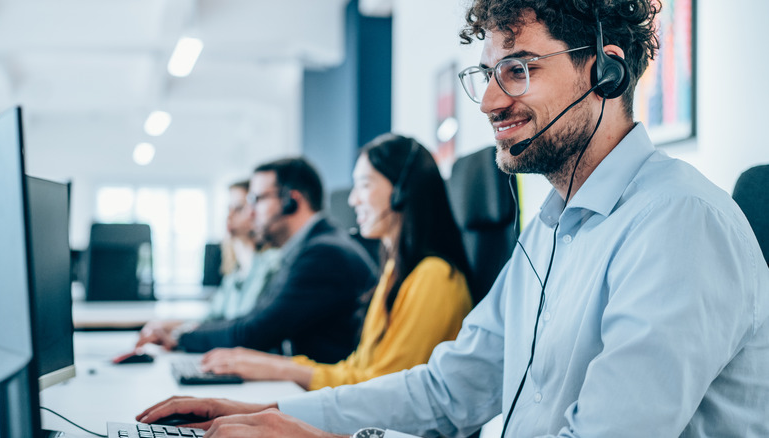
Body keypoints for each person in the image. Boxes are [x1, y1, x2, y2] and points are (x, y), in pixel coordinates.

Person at [138, 1, 769, 437]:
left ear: (604, 71)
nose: (492, 101)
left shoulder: (678, 224)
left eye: (519, 69)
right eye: (488, 74)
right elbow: (448, 390)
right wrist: (264, 412)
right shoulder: (548, 231)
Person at [198, 134, 474, 390]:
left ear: (402, 190)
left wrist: (283, 370)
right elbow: (358, 368)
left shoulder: (435, 277)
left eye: (364, 185)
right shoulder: (395, 272)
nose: (353, 200)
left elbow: (385, 388)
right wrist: (277, 367)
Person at [145, 158, 379, 364]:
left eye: (257, 200)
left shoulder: (323, 254)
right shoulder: (309, 248)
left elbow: (254, 333)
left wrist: (179, 337)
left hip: (332, 394)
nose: (251, 213)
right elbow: (252, 320)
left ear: (291, 201)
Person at [135, 180, 282, 350]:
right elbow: (212, 319)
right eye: (228, 208)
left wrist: (180, 335)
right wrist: (169, 327)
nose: (229, 216)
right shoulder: (235, 272)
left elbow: (244, 328)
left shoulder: (272, 263)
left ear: (255, 212)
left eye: (239, 208)